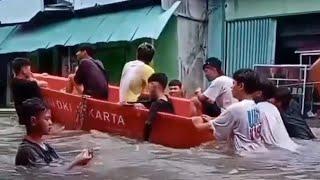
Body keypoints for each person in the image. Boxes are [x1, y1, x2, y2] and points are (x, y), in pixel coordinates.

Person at [192, 69, 265, 153]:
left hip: (243, 156)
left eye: (234, 83)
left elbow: (202, 128)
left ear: (241, 86)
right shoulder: (255, 107)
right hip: (257, 151)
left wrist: (194, 121)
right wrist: (213, 119)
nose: (231, 87)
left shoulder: (235, 108)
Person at [15, 98, 93, 169]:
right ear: (33, 121)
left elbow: (59, 164)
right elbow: (47, 174)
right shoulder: (26, 151)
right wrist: (75, 162)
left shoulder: (45, 146)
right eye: (47, 119)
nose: (51, 123)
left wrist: (79, 159)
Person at [255, 79, 299, 151]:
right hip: (291, 147)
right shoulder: (273, 108)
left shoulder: (259, 109)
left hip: (279, 151)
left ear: (259, 93)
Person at [134, 73, 174, 141]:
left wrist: (143, 143)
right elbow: (148, 103)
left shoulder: (156, 104)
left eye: (149, 85)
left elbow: (148, 123)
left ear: (154, 85)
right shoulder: (168, 101)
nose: (148, 89)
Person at [10, 58, 48, 124]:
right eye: (29, 69)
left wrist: (39, 75)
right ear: (24, 70)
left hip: (23, 116)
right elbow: (45, 84)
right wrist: (35, 79)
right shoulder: (30, 84)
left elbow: (29, 77)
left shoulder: (14, 82)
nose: (30, 72)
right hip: (36, 118)